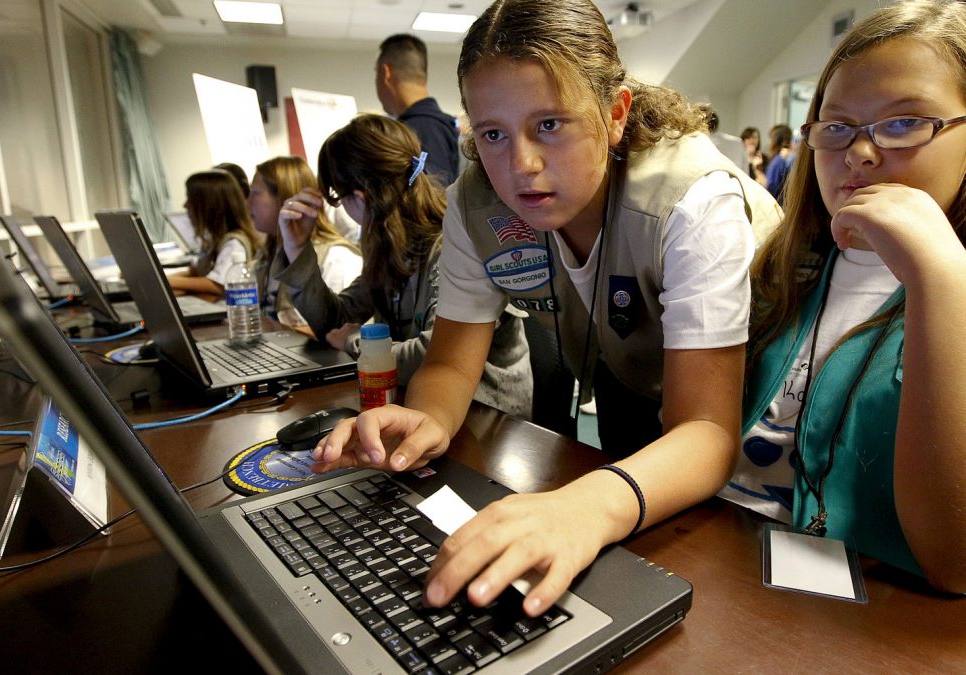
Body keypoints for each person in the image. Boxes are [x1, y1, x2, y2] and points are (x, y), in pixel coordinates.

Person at [312, 0, 780, 618]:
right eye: (493, 134)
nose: (520, 166)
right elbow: (452, 367)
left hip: (757, 411)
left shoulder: (692, 200)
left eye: (551, 125)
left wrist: (584, 506)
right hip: (631, 369)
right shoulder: (474, 203)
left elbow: (708, 430)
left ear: (615, 115)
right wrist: (427, 417)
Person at [722, 0, 966, 613]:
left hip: (898, 627)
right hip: (739, 579)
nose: (860, 153)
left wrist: (940, 276)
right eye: (836, 127)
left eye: (904, 122)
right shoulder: (785, 265)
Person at [272, 114, 532, 417]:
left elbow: (434, 354)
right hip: (423, 405)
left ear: (360, 197)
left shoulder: (453, 244)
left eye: (338, 198)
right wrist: (297, 248)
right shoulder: (389, 248)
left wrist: (356, 343)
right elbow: (334, 321)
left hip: (489, 416)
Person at [247, 156, 362, 334]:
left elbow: (338, 331)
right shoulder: (267, 253)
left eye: (255, 193)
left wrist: (270, 329)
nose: (247, 202)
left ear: (284, 197)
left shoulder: (336, 257)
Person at [375, 34, 460, 185]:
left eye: (376, 73)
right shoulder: (437, 125)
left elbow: (433, 199)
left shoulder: (418, 129)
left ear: (386, 73)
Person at [167, 169, 261, 298]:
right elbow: (195, 271)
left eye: (190, 199)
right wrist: (165, 280)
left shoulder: (234, 243)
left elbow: (217, 285)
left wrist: (168, 282)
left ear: (209, 206)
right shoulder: (214, 240)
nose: (185, 205)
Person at [764, 123, 794, 203]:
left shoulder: (778, 161)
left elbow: (770, 187)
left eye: (771, 139)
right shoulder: (781, 160)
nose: (769, 143)